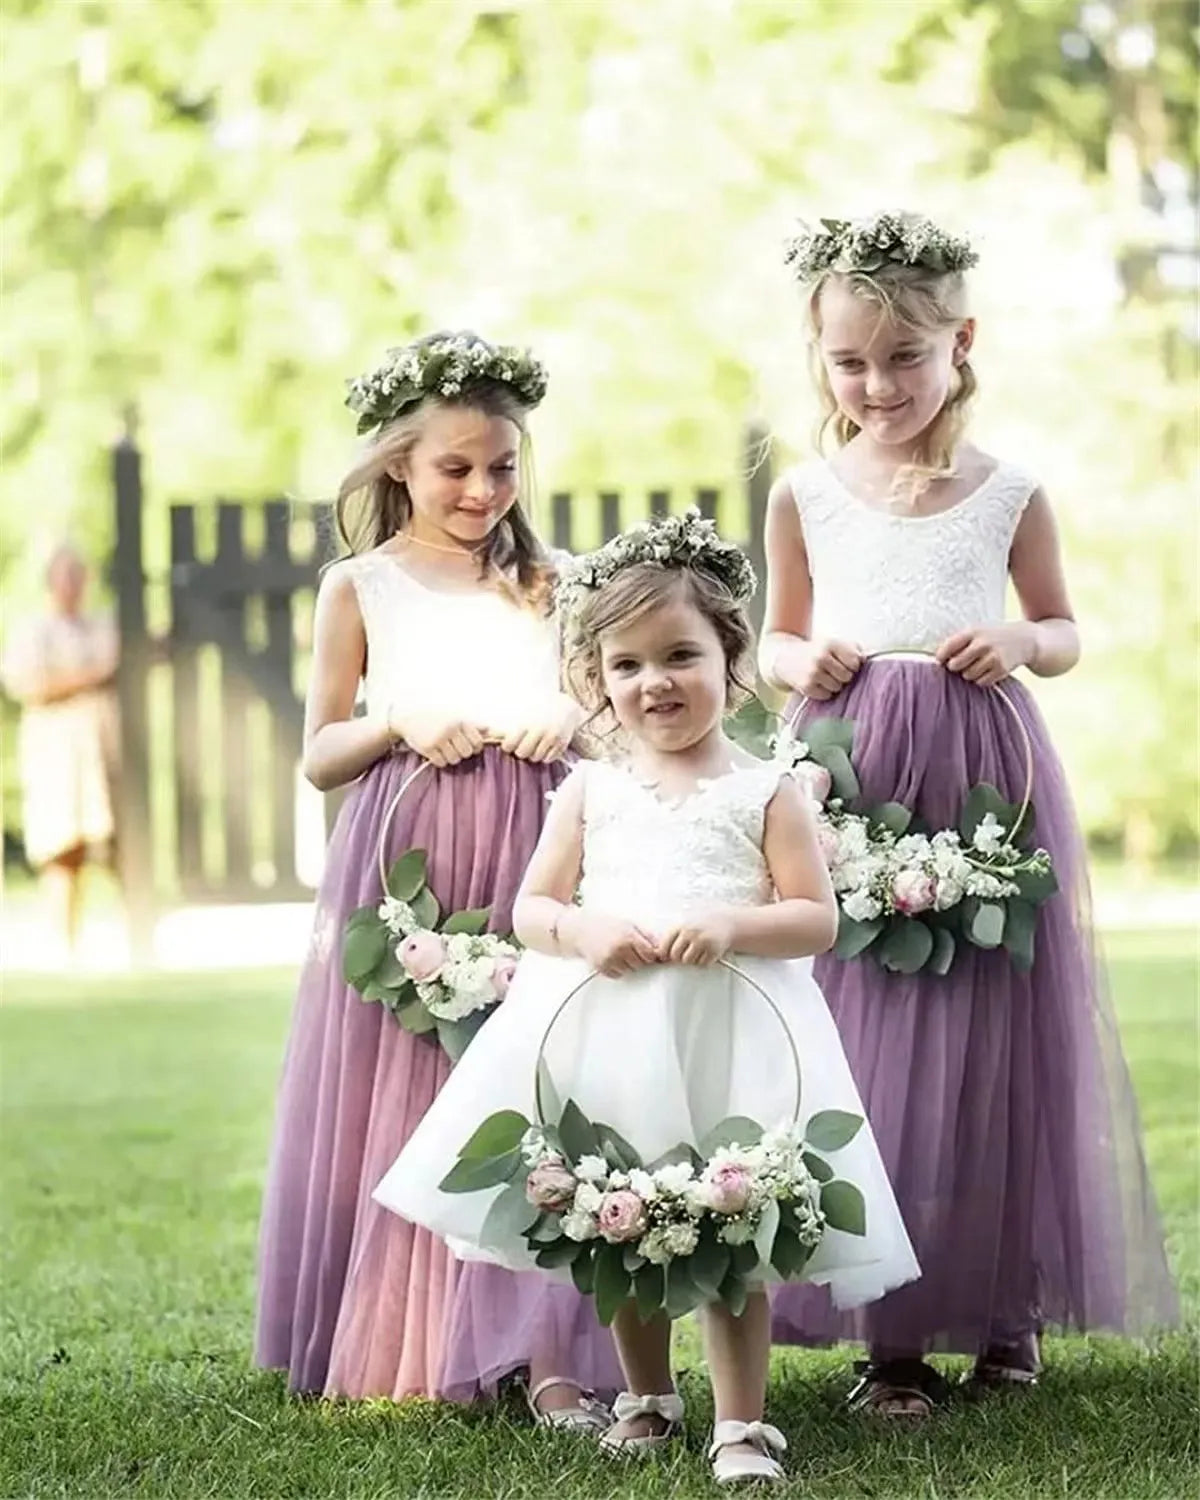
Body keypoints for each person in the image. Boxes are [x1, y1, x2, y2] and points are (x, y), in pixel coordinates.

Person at [374, 514, 919, 1486]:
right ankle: (648, 1396)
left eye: (681, 656)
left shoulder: (768, 790)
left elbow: (813, 919)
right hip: (612, 1028)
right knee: (619, 1212)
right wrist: (582, 930)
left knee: (728, 1217)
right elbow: (534, 907)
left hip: (732, 1032)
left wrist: (728, 927)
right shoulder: (590, 790)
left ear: (731, 655)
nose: (654, 682)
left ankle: (743, 1424)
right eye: (627, 666)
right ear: (598, 679)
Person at [761, 212, 1177, 1415]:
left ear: (962, 344)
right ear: (820, 358)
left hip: (981, 775)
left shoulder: (1010, 492)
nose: (877, 385)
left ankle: (1005, 1313)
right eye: (850, 362)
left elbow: (1063, 628)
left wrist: (1015, 637)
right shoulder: (804, 494)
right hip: (846, 773)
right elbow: (772, 639)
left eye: (904, 356)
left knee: (992, 1050)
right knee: (866, 1046)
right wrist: (803, 664)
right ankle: (883, 1334)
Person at [254, 332, 621, 1422]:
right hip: (408, 856)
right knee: (409, 1088)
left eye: (501, 466)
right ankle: (416, 1339)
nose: (480, 489)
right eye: (454, 467)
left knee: (540, 1083)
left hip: (536, 849)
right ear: (399, 469)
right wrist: (395, 719)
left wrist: (575, 717)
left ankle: (551, 1354)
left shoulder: (555, 584)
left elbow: (620, 723)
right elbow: (320, 750)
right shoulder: (360, 586)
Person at [1, 542, 119, 959]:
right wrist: (93, 675)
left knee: (116, 844)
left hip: (101, 746)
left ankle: (128, 938)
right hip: (56, 753)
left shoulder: (101, 625)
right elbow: (30, 684)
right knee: (61, 849)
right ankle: (64, 945)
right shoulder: (34, 631)